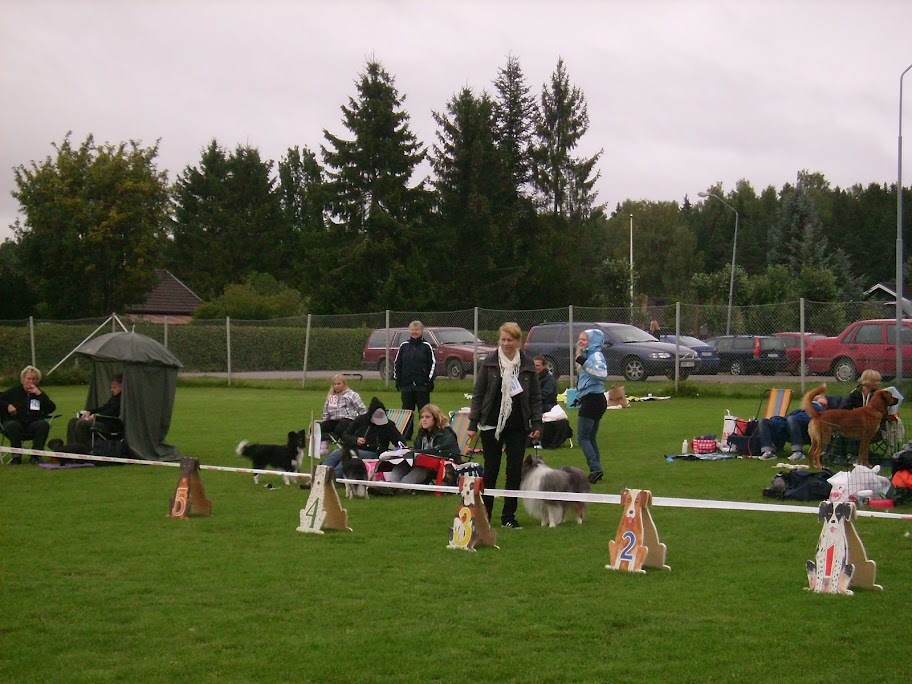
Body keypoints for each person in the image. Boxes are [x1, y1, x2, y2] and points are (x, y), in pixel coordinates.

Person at [468, 322, 542, 529]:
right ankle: (486, 514)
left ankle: (509, 516)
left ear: (518, 341)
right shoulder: (489, 362)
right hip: (491, 424)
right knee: (491, 470)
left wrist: (537, 423)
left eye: (510, 340)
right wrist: (473, 423)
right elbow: (478, 394)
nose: (506, 343)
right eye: (503, 339)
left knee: (514, 472)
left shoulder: (527, 364)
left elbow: (535, 397)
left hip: (518, 425)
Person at [323, 397, 404, 478]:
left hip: (374, 453)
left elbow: (400, 442)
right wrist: (356, 439)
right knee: (337, 452)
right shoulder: (361, 419)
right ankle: (322, 471)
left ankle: (332, 476)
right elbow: (345, 435)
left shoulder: (389, 426)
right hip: (356, 448)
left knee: (348, 457)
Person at [1, 365, 57, 464]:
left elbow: (51, 408)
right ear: (23, 379)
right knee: (12, 425)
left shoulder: (39, 394)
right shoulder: (13, 391)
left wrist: (40, 395)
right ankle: (16, 456)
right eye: (29, 378)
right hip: (15, 423)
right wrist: (8, 405)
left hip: (32, 424)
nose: (31, 381)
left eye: (34, 379)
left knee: (43, 424)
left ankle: (36, 456)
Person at [574, 329, 608, 483]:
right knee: (590, 437)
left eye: (584, 339)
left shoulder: (596, 355)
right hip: (592, 399)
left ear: (593, 341)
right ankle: (597, 469)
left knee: (582, 438)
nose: (580, 342)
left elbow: (602, 374)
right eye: (580, 339)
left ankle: (595, 469)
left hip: (593, 400)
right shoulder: (589, 354)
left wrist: (584, 362)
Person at [393, 320, 436, 440]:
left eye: (417, 330)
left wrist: (429, 380)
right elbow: (397, 363)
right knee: (407, 411)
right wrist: (397, 379)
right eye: (412, 329)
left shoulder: (426, 346)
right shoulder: (404, 346)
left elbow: (432, 364)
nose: (414, 332)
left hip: (422, 385)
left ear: (421, 331)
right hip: (406, 385)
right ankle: (406, 435)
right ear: (409, 331)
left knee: (424, 411)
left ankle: (424, 433)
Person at [402, 403, 461, 485]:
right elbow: (417, 448)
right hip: (423, 463)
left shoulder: (445, 433)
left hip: (445, 467)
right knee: (400, 466)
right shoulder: (422, 433)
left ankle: (399, 487)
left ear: (436, 418)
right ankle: (390, 486)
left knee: (419, 470)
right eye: (422, 417)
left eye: (427, 417)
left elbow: (437, 452)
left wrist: (414, 452)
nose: (424, 420)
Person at [66, 373, 123, 449]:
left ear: (122, 386)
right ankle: (71, 447)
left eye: (114, 387)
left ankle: (82, 449)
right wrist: (90, 412)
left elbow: (113, 412)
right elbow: (104, 407)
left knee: (82, 423)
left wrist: (96, 416)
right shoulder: (114, 398)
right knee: (73, 421)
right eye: (111, 387)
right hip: (102, 420)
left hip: (111, 425)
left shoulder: (123, 399)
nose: (112, 390)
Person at [533, 356, 573, 449]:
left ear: (544, 366)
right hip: (536, 405)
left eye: (537, 365)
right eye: (533, 365)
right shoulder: (532, 378)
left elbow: (546, 396)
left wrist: (532, 399)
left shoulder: (549, 380)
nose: (535, 367)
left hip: (547, 406)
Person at [318, 374, 366, 447]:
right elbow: (326, 411)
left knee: (340, 427)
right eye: (335, 384)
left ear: (344, 384)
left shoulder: (351, 395)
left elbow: (362, 409)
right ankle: (324, 444)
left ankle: (337, 438)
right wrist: (324, 421)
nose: (336, 386)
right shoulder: (331, 396)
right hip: (334, 420)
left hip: (348, 420)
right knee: (318, 428)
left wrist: (361, 422)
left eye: (339, 384)